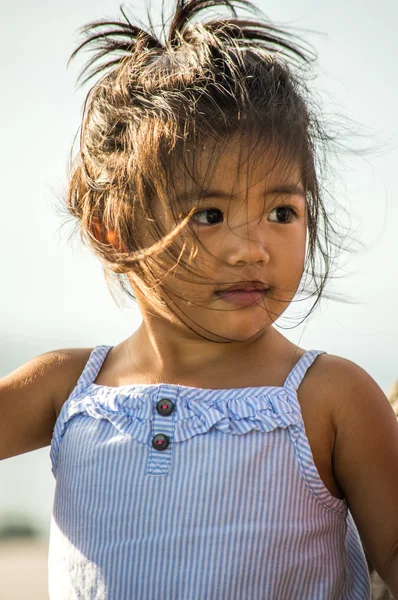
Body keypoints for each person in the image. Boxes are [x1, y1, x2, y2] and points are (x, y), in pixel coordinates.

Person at [1, 0, 398, 597]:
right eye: (210, 214)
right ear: (114, 228)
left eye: (281, 211)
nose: (253, 249)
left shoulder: (329, 397)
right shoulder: (68, 388)